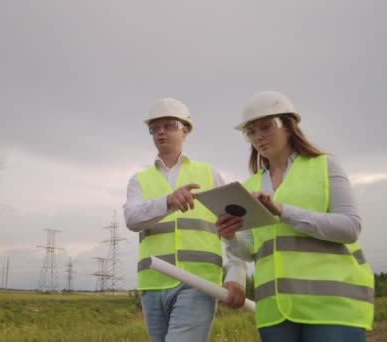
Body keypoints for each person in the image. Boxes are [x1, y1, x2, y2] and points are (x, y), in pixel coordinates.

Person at [217, 91, 374, 342]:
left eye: (266, 127)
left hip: (332, 307)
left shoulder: (325, 166)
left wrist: (283, 211)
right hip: (275, 312)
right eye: (252, 132)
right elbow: (249, 251)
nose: (259, 137)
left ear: (289, 126)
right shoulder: (248, 187)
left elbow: (350, 227)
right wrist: (231, 236)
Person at [124, 97, 247, 342]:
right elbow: (132, 219)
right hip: (153, 285)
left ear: (185, 130)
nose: (160, 132)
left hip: (198, 284)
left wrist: (237, 278)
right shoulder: (139, 180)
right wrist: (168, 202)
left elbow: (238, 229)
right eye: (154, 128)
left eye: (169, 125)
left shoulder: (209, 175)